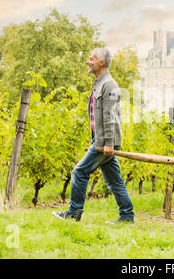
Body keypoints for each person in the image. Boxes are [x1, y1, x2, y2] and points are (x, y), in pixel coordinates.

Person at [52, 48, 134, 224]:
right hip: (100, 139)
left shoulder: (109, 85)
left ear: (101, 62)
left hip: (105, 141)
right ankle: (127, 216)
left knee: (79, 172)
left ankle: (74, 212)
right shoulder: (99, 83)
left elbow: (110, 116)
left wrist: (109, 143)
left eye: (91, 59)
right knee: (114, 180)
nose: (88, 62)